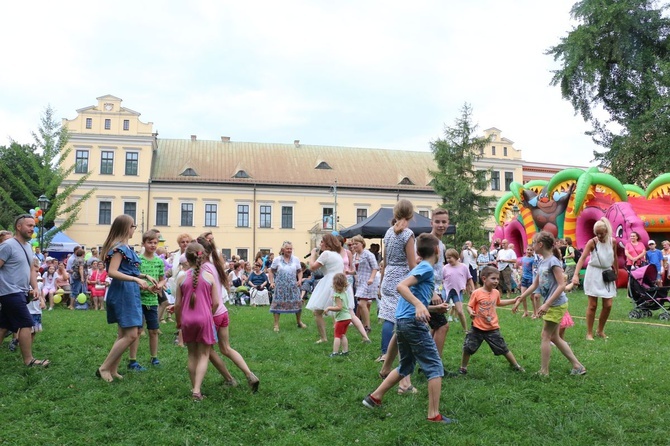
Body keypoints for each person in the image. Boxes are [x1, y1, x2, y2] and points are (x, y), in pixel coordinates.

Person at [362, 233, 455, 424]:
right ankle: (434, 415)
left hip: (403, 321)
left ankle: (374, 397)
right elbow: (401, 287)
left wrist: (432, 307)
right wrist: (420, 306)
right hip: (413, 323)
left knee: (406, 365)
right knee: (435, 367)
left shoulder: (420, 268)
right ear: (438, 250)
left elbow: (411, 300)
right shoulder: (426, 269)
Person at [515, 231, 586, 376]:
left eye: (534, 243)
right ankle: (577, 366)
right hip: (553, 304)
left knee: (546, 336)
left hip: (556, 304)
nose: (532, 245)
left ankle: (544, 371)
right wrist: (521, 297)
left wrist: (547, 304)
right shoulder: (542, 261)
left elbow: (561, 285)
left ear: (540, 245)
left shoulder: (553, 261)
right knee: (554, 337)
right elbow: (535, 285)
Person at [196, 236, 260, 392]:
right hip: (223, 312)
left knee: (208, 351)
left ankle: (230, 379)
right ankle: (250, 375)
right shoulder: (215, 266)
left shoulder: (203, 269)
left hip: (212, 313)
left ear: (201, 252)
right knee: (226, 348)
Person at [96, 215, 155, 382]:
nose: (134, 229)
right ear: (126, 228)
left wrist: (144, 276)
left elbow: (126, 269)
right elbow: (112, 272)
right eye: (133, 226)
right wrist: (136, 279)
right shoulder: (118, 248)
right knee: (131, 334)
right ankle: (104, 367)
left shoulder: (125, 248)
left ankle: (113, 369)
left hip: (129, 290)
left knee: (124, 333)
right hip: (124, 291)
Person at [377, 199, 416, 393]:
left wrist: (381, 281)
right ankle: (404, 380)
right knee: (404, 327)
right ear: (411, 215)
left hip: (388, 278)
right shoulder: (408, 234)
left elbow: (385, 260)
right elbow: (411, 265)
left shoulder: (388, 232)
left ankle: (386, 365)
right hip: (401, 280)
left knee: (393, 322)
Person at [0, 214, 50, 367]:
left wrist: (34, 287)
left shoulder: (28, 247)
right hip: (9, 292)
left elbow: (30, 270)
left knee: (3, 325)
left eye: (33, 226)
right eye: (29, 225)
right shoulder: (7, 245)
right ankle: (29, 360)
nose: (32, 229)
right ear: (18, 226)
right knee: (27, 324)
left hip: (21, 292)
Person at [175, 242, 220, 401]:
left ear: (187, 258)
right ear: (203, 256)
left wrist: (178, 322)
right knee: (203, 354)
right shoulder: (209, 277)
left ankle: (195, 388)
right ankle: (197, 390)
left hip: (187, 320)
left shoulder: (181, 278)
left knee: (192, 354)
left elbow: (178, 304)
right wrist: (209, 315)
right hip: (204, 318)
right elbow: (215, 303)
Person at [459, 266, 524, 375]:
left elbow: (498, 302)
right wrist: (471, 312)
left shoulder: (496, 292)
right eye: (493, 278)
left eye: (498, 279)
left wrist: (513, 300)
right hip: (477, 328)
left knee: (503, 348)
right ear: (484, 279)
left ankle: (515, 366)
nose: (496, 281)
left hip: (492, 328)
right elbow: (469, 306)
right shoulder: (477, 293)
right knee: (468, 348)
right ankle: (463, 368)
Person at [571, 218, 618, 340]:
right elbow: (582, 259)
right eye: (597, 233)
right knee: (592, 305)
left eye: (602, 233)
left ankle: (600, 330)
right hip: (594, 273)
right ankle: (589, 333)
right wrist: (575, 275)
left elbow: (615, 256)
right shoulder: (592, 242)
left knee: (608, 305)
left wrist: (616, 270)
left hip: (607, 273)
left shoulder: (613, 242)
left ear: (606, 231)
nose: (599, 235)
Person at [127, 230, 166, 370]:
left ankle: (154, 358)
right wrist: (145, 288)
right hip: (138, 300)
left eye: (155, 243)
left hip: (152, 301)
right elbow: (134, 278)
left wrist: (158, 286)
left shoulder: (159, 261)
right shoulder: (138, 260)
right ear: (143, 243)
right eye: (150, 242)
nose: (153, 245)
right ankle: (132, 360)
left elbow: (162, 279)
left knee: (153, 330)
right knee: (137, 331)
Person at [306, 235, 346, 343]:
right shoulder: (337, 255)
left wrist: (313, 254)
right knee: (339, 311)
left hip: (329, 283)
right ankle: (340, 337)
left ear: (327, 244)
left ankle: (324, 338)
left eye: (322, 242)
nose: (320, 244)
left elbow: (312, 267)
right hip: (338, 282)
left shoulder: (326, 253)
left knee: (317, 312)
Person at [268, 241, 306, 332]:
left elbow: (300, 271)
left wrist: (300, 280)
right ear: (283, 250)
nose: (289, 250)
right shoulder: (277, 260)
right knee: (277, 305)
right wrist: (272, 282)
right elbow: (271, 271)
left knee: (298, 303)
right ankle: (276, 325)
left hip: (293, 286)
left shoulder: (296, 259)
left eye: (290, 248)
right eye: (287, 248)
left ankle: (299, 322)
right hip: (280, 286)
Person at [351, 235, 379, 333]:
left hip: (368, 282)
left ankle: (367, 326)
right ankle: (364, 324)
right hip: (360, 282)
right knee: (361, 304)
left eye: (356, 243)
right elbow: (356, 271)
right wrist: (349, 272)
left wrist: (371, 278)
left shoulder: (368, 254)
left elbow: (375, 267)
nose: (354, 246)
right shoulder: (355, 256)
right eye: (353, 244)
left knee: (362, 303)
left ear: (362, 244)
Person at [443, 248, 474, 332]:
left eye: (450, 257)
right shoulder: (445, 268)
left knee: (460, 311)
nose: (448, 260)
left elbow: (469, 278)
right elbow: (441, 280)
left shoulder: (463, 267)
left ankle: (466, 330)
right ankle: (438, 328)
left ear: (456, 257)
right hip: (446, 291)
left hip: (458, 292)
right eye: (447, 258)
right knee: (441, 309)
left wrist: (473, 289)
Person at [325, 273, 352, 357]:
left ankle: (335, 353)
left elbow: (339, 307)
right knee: (342, 335)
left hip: (341, 319)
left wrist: (329, 308)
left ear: (335, 284)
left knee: (337, 336)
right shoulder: (345, 293)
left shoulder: (337, 295)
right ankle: (345, 351)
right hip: (347, 318)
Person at [517, 246, 538, 318]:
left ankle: (535, 312)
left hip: (530, 279)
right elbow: (522, 270)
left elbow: (533, 270)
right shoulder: (523, 259)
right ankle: (525, 312)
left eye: (531, 250)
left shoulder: (533, 260)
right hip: (524, 279)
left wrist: (534, 280)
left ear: (533, 251)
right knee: (523, 296)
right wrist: (520, 280)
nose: (529, 251)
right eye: (528, 249)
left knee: (532, 297)